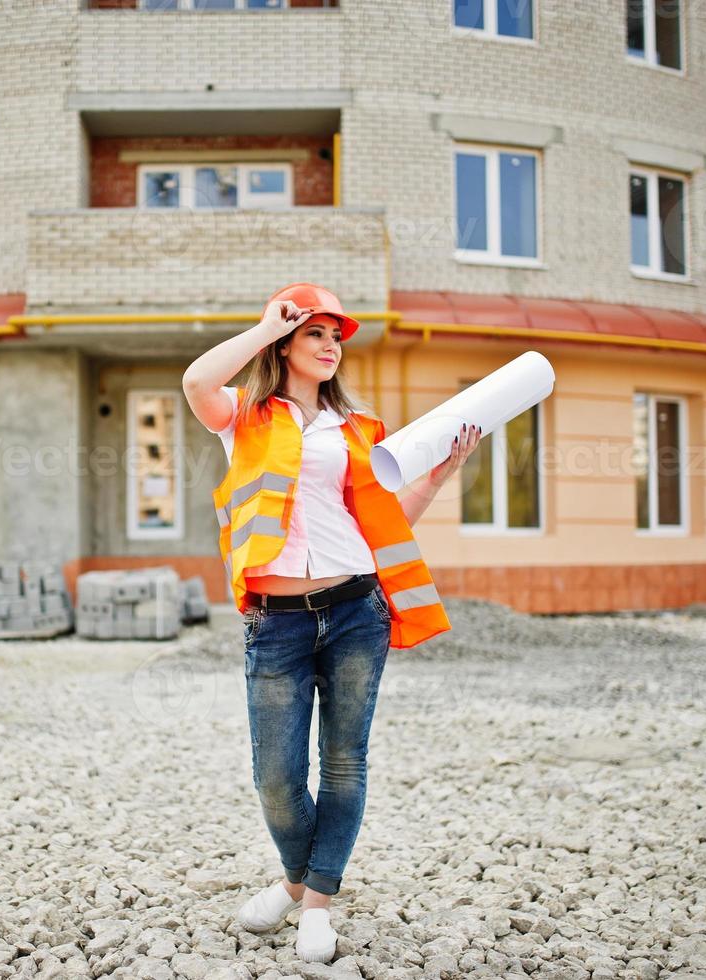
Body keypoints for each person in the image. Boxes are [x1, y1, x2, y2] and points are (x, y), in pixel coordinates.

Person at [181, 282, 481, 963]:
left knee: (343, 765)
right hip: (276, 623)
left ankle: (315, 902)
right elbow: (197, 378)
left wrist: (436, 476)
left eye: (334, 336)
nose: (329, 345)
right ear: (285, 343)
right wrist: (264, 326)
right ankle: (294, 883)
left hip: (354, 610)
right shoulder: (243, 417)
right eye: (313, 333)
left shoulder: (357, 430)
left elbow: (381, 522)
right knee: (276, 778)